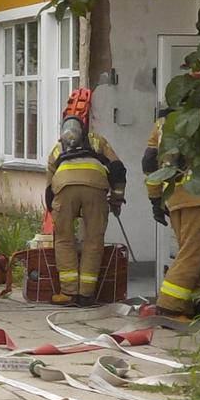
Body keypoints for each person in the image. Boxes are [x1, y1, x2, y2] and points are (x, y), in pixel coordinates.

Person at [45, 89, 126, 306]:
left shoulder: (57, 147)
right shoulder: (98, 142)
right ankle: (86, 295)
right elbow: (118, 169)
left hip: (63, 188)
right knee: (93, 240)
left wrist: (53, 209)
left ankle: (68, 293)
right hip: (96, 189)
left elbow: (48, 186)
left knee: (64, 239)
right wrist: (117, 198)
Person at [143, 105, 200, 323]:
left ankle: (193, 305)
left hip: (173, 196)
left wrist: (155, 198)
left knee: (189, 252)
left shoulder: (161, 125)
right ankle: (170, 305)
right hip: (198, 196)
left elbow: (149, 162)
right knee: (193, 254)